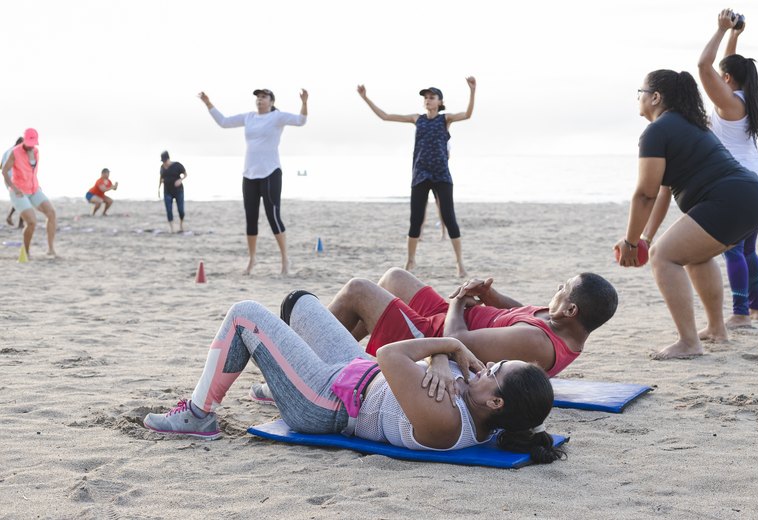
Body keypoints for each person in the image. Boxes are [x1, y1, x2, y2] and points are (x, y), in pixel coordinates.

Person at [142, 293, 563, 464]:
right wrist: (441, 359)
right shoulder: (476, 404)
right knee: (299, 302)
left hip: (326, 403)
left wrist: (448, 348)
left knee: (245, 315)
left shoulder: (446, 423)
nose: (484, 367)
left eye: (493, 373)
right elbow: (417, 364)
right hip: (356, 375)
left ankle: (199, 415)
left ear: (496, 403)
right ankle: (283, 384)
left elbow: (389, 354)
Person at [615, 69, 758, 360]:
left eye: (641, 92)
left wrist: (631, 242)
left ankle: (689, 343)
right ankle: (716, 329)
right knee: (695, 256)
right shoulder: (688, 125)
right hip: (754, 197)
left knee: (664, 256)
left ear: (656, 97)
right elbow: (662, 192)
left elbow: (644, 194)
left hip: (731, 198)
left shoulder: (657, 131)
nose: (639, 98)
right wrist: (645, 236)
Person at [325, 267, 618, 378]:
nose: (557, 288)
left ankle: (310, 360)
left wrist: (458, 301)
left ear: (570, 310)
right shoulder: (557, 323)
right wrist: (490, 295)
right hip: (452, 318)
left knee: (358, 290)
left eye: (562, 289)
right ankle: (336, 358)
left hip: (434, 338)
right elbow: (521, 313)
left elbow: (456, 342)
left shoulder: (538, 344)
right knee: (393, 278)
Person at [698, 9, 758, 329]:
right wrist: (734, 36)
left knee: (732, 250)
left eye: (722, 76)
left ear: (727, 80)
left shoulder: (729, 104)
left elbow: (704, 66)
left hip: (740, 184)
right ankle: (754, 310)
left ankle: (740, 313)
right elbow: (724, 67)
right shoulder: (745, 98)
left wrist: (718, 30)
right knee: (747, 250)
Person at [357, 78, 476, 277]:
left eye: (432, 97)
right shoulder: (416, 118)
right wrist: (365, 98)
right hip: (420, 174)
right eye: (426, 98)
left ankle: (460, 263)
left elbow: (468, 114)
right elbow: (385, 116)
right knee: (415, 220)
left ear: (439, 101)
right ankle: (410, 261)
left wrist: (472, 91)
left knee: (449, 218)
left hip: (441, 175)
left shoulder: (445, 119)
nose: (428, 100)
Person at [198, 88, 308, 275]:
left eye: (263, 97)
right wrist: (208, 103)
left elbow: (301, 120)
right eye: (257, 97)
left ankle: (284, 260)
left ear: (271, 101)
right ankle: (251, 260)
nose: (259, 100)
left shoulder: (277, 117)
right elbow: (224, 122)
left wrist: (304, 102)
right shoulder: (249, 117)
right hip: (249, 174)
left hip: (271, 172)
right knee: (250, 219)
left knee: (273, 217)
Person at [1, 128, 57, 258]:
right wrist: (14, 188)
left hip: (34, 189)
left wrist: (37, 185)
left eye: (33, 143)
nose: (30, 146)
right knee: (32, 222)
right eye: (28, 143)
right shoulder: (15, 152)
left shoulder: (36, 151)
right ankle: (26, 252)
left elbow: (32, 171)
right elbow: (4, 171)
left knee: (52, 213)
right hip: (18, 191)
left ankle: (51, 249)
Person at [158, 151, 187, 233]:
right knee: (169, 210)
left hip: (178, 191)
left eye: (165, 161)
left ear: (168, 159)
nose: (164, 163)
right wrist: (159, 189)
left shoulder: (177, 165)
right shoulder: (162, 168)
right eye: (163, 161)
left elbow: (185, 174)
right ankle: (172, 228)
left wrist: (180, 180)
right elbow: (161, 178)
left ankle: (181, 224)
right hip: (167, 191)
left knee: (181, 209)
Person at [2, 137, 23, 228]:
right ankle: (20, 223)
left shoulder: (6, 152)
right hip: (16, 179)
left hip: (7, 179)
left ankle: (10, 217)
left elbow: (1, 166)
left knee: (20, 199)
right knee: (23, 199)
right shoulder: (17, 152)